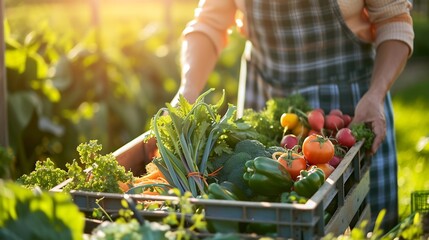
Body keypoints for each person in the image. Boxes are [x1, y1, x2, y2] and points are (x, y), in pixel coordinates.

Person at [119, 0, 414, 232]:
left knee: (371, 224)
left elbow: (393, 20)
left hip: (352, 102)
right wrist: (187, 93)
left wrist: (375, 95)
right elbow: (209, 22)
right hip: (268, 94)